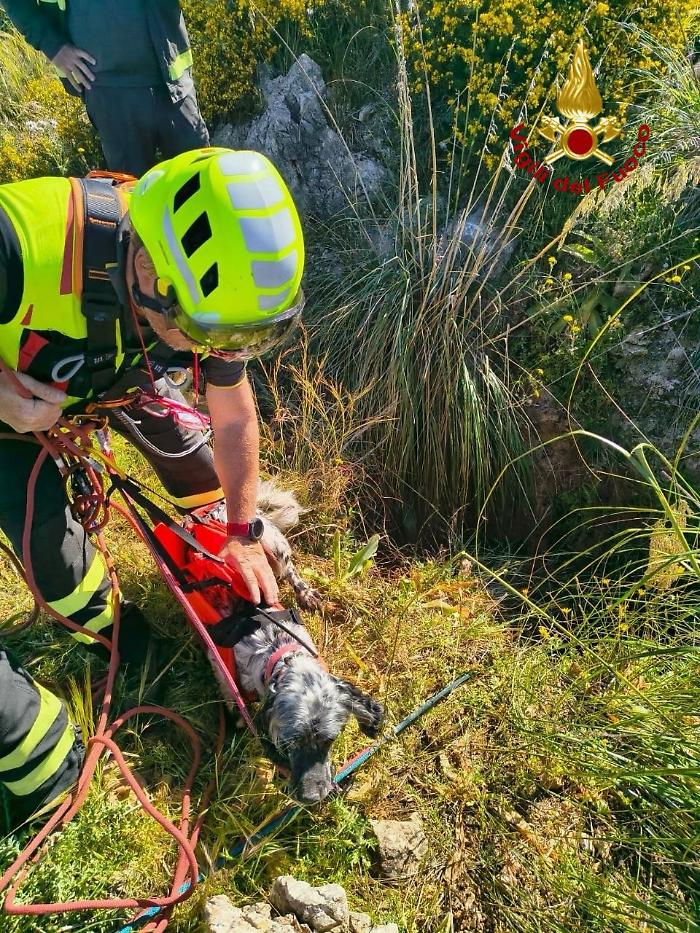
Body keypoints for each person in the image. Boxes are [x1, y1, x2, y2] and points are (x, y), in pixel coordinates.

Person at [0, 147, 305, 822]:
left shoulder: (196, 294)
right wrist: (5, 400)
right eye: (201, 333)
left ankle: (199, 612)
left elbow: (232, 418)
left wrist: (243, 530)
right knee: (50, 549)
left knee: (204, 476)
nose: (213, 352)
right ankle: (109, 638)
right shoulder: (19, 242)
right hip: (15, 407)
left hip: (113, 372)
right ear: (145, 267)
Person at [0, 0, 209, 176]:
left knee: (200, 180)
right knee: (133, 199)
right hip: (108, 89)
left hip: (171, 78)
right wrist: (53, 45)